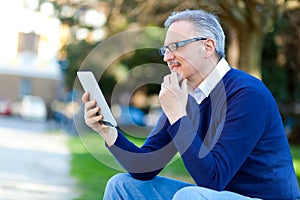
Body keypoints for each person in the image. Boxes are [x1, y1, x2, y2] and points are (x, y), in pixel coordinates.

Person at [82, 9, 300, 200]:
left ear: (208, 46)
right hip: (217, 196)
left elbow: (212, 179)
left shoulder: (247, 94)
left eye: (175, 46)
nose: (167, 57)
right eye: (165, 49)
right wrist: (107, 131)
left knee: (189, 196)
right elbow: (144, 168)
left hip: (260, 198)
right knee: (121, 185)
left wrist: (177, 113)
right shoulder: (185, 95)